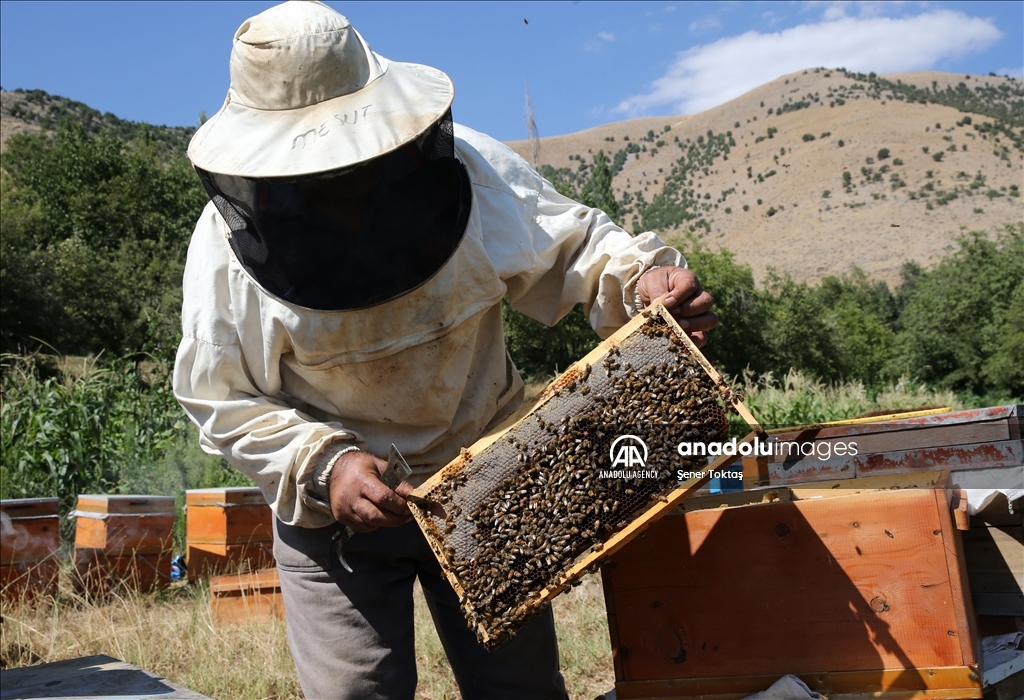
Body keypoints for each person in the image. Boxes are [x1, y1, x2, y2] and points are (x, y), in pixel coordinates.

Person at [173, 2, 717, 698]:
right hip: (334, 520)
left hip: (489, 485)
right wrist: (324, 464)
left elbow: (573, 247)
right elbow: (219, 395)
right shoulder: (223, 255)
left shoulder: (468, 172)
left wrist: (639, 278)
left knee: (519, 693)